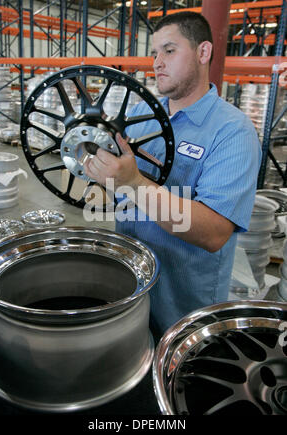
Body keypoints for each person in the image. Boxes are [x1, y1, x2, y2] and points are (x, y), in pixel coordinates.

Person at [84, 11, 262, 338]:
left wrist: (135, 185)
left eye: (169, 50)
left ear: (203, 52)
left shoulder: (233, 132)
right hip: (129, 291)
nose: (157, 62)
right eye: (154, 53)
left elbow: (213, 232)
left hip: (183, 311)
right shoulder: (139, 115)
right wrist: (96, 166)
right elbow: (105, 195)